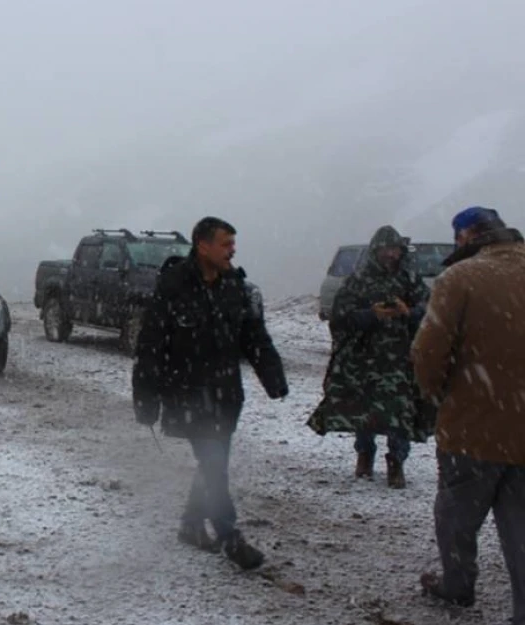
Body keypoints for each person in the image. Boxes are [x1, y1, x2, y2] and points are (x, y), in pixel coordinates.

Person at [132, 216, 288, 570]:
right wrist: (146, 397)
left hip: (226, 396)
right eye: (225, 244)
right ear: (202, 245)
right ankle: (229, 537)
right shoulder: (173, 287)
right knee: (215, 465)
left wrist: (273, 376)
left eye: (233, 244)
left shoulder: (233, 285)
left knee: (213, 463)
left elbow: (253, 335)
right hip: (187, 396)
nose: (232, 250)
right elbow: (150, 346)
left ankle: (190, 523)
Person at [411, 206, 525, 623]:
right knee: (521, 528)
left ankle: (457, 586)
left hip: (472, 429)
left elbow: (427, 352)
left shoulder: (460, 278)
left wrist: (440, 394)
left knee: (456, 514)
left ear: (466, 236)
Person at [307, 225, 432, 488]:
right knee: (365, 409)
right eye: (386, 249)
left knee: (400, 411)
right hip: (363, 359)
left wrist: (407, 312)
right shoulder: (358, 281)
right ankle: (364, 454)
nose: (390, 255)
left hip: (400, 358)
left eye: (395, 249)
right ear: (376, 251)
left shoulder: (409, 279)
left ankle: (396, 462)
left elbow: (428, 309)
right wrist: (370, 315)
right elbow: (341, 317)